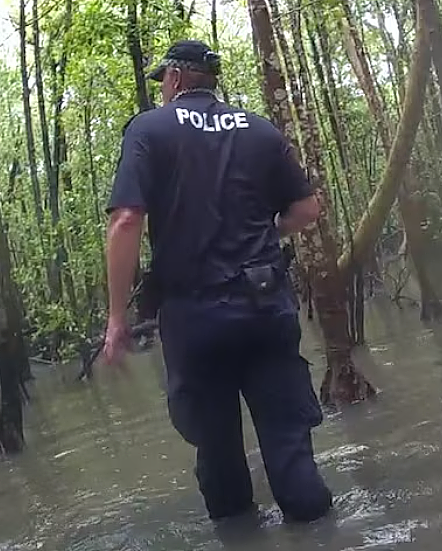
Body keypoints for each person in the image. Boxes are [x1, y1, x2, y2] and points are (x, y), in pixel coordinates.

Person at [101, 39, 333, 523]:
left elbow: (126, 220)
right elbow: (308, 209)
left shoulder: (149, 129)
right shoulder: (260, 130)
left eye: (163, 78)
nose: (162, 87)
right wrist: (268, 232)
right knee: (290, 445)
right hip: (267, 307)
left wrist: (117, 318)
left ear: (177, 79)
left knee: (219, 454)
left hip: (196, 318)